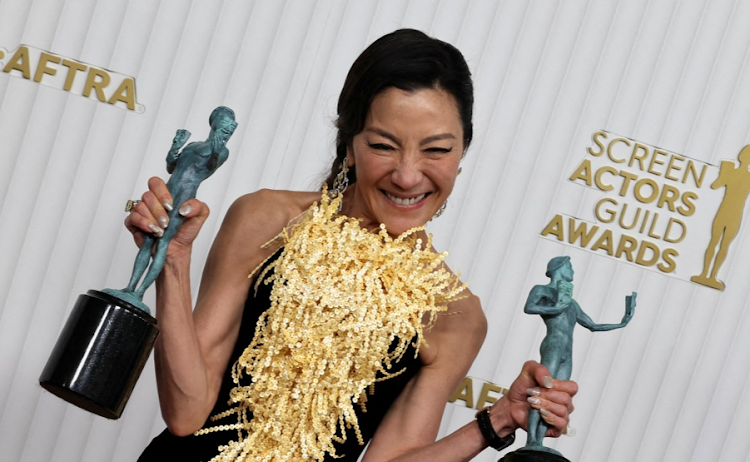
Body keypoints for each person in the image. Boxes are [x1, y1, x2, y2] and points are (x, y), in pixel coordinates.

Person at [128, 29, 577, 462]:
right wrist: (173, 257)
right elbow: (186, 413)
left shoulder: (455, 315)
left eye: (436, 150)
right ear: (349, 145)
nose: (407, 175)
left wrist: (498, 420)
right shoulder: (265, 219)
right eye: (383, 145)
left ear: (462, 155)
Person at [523, 256, 635, 452]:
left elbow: (592, 325)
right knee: (543, 390)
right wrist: (555, 308)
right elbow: (529, 308)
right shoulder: (543, 290)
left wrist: (621, 322)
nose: (573, 271)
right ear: (558, 268)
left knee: (555, 394)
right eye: (570, 266)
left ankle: (538, 441)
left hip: (567, 350)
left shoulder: (572, 303)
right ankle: (532, 440)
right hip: (554, 345)